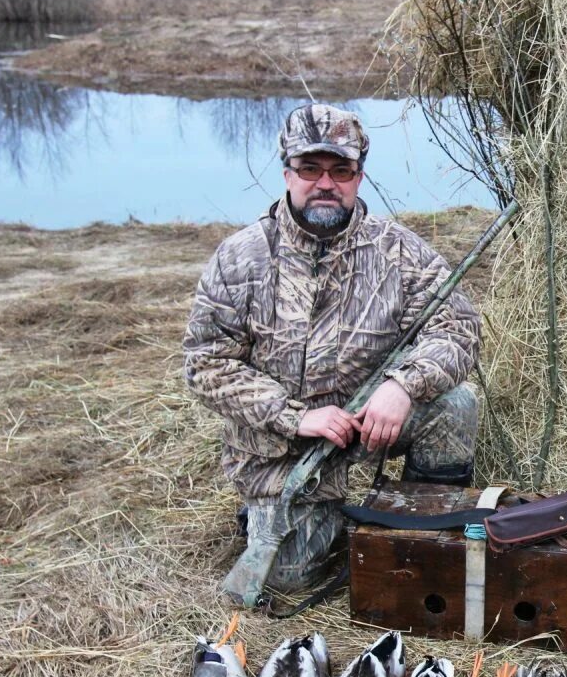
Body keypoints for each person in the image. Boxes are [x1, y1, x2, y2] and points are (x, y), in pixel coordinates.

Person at [183, 103, 480, 605]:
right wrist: (294, 416)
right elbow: (206, 364)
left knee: (456, 405)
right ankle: (280, 515)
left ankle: (419, 528)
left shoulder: (399, 253)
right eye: (311, 169)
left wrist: (403, 386)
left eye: (341, 170)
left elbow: (460, 329)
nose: (326, 182)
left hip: (366, 427)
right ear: (288, 173)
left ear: (359, 176)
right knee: (288, 578)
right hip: (285, 449)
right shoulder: (240, 258)